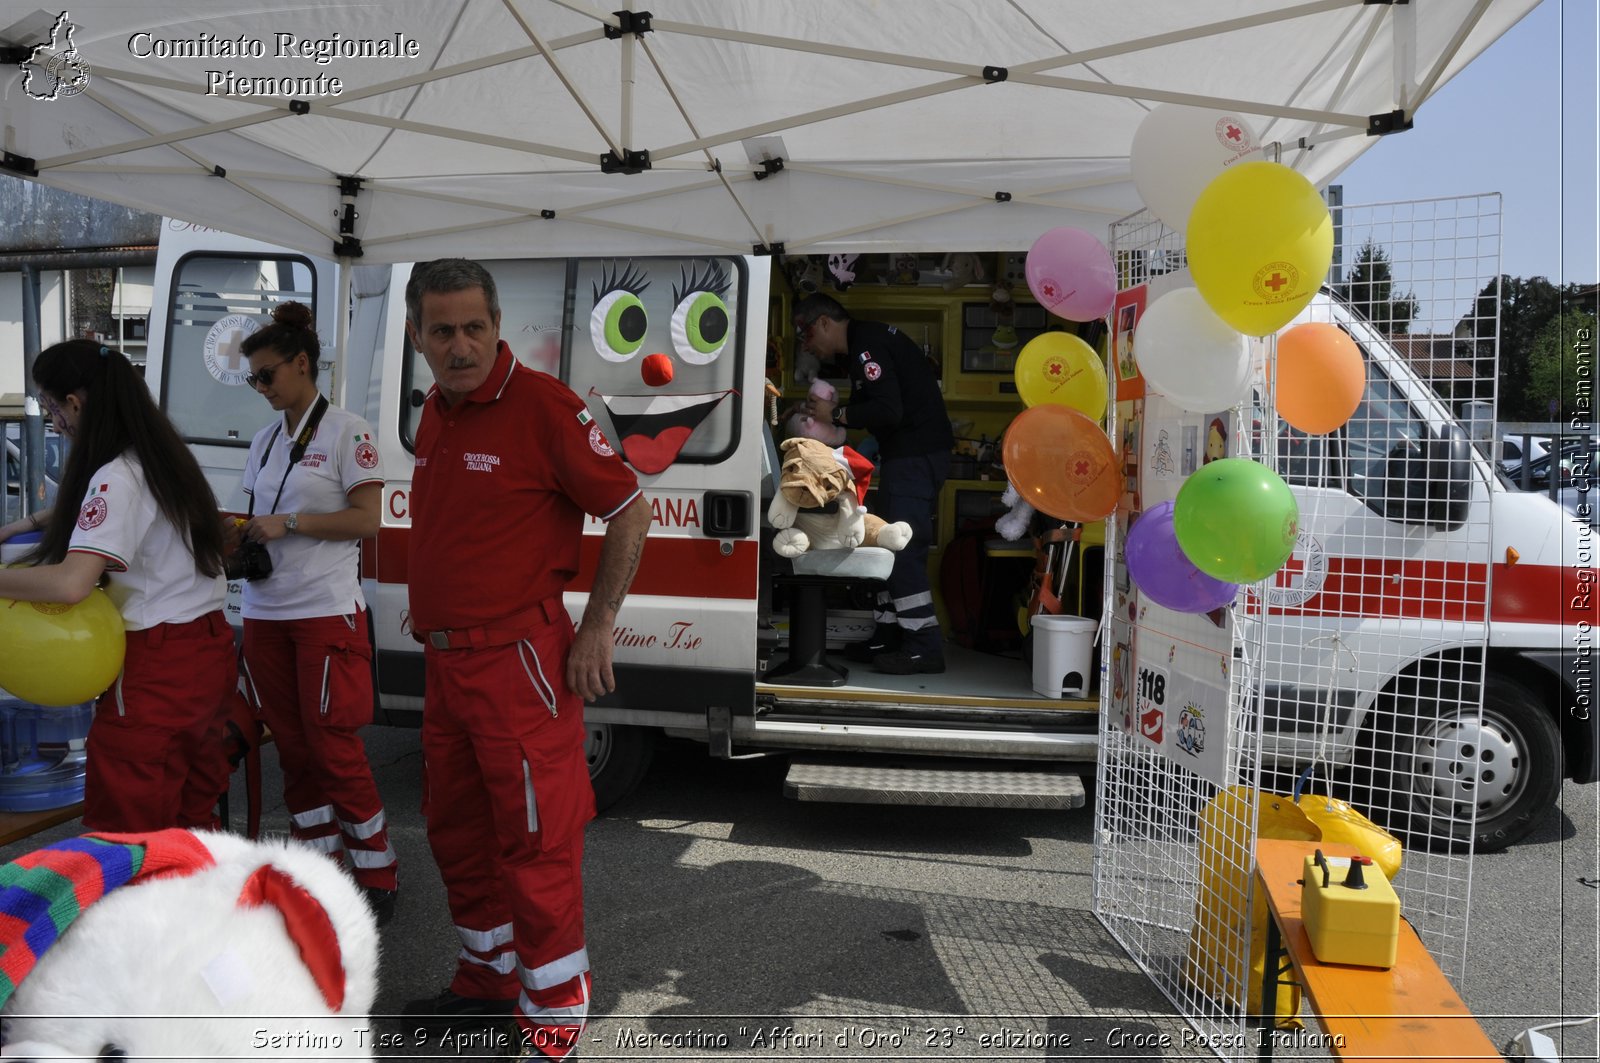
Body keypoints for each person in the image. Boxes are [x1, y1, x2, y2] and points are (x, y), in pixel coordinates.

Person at [400, 259, 651, 1059]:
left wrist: (599, 625)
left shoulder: (542, 404)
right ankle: (487, 980)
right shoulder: (438, 410)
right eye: (443, 330)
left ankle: (553, 1017)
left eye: (475, 326)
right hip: (448, 666)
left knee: (537, 841)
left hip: (520, 663)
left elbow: (628, 508)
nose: (461, 344)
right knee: (457, 829)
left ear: (497, 323)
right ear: (417, 336)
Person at [0, 341, 234, 831]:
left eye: (49, 407)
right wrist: (27, 524)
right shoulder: (163, 457)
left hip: (157, 665)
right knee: (192, 820)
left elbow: (70, 584)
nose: (53, 421)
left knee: (125, 828)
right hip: (209, 651)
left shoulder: (115, 476)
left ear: (75, 403)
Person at [235, 301, 399, 926]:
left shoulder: (348, 432)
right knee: (295, 752)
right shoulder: (265, 438)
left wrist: (291, 523)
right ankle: (320, 873)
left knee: (333, 749)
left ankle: (378, 870)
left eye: (266, 375)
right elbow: (257, 515)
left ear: (302, 364)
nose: (259, 387)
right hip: (265, 613)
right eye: (252, 378)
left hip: (325, 614)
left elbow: (368, 521)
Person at [792, 293, 955, 674]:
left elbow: (888, 409)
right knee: (882, 540)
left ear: (824, 324)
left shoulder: (868, 346)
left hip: (915, 456)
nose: (807, 346)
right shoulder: (865, 345)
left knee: (903, 547)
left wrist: (838, 413)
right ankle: (889, 634)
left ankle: (923, 645)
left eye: (806, 334)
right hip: (908, 455)